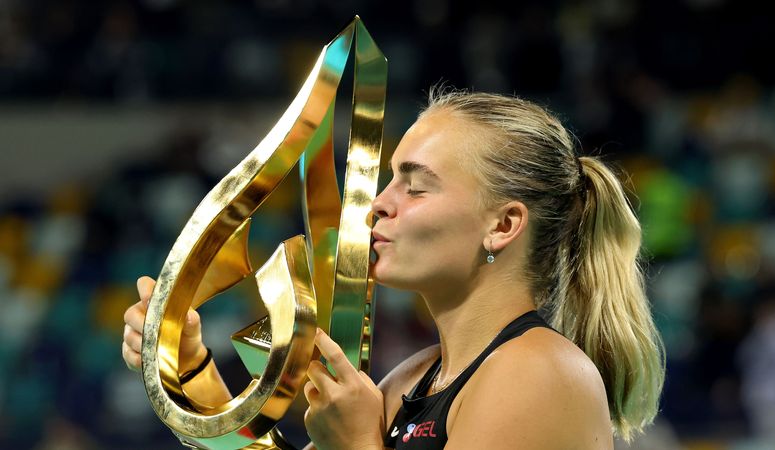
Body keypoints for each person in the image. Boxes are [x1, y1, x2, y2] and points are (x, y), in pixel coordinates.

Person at [122, 88, 666, 449]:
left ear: (503, 225)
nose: (378, 204)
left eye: (416, 185)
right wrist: (190, 371)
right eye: (387, 182)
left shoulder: (541, 375)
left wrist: (360, 444)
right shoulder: (414, 376)